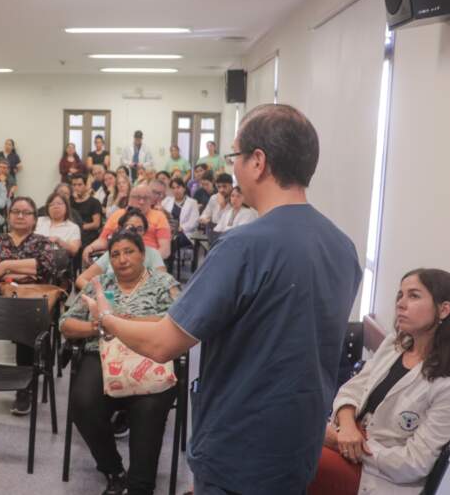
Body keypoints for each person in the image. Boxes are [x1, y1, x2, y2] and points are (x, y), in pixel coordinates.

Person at [82, 104, 363, 494]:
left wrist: (106, 319)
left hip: (240, 445)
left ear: (257, 162)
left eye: (235, 156)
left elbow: (163, 344)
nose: (233, 169)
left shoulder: (243, 246)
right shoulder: (343, 247)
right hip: (298, 444)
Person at [309, 269, 450, 495]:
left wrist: (343, 443)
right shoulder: (395, 344)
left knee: (294, 462)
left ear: (444, 309)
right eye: (400, 295)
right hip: (348, 439)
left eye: (413, 296)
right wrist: (347, 427)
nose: (400, 304)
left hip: (381, 475)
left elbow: (415, 463)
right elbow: (351, 390)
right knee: (284, 440)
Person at [61, 229, 180, 495]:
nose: (122, 259)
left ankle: (140, 486)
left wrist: (126, 323)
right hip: (103, 354)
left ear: (143, 254)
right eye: (115, 254)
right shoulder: (99, 284)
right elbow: (66, 324)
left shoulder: (163, 282)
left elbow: (178, 319)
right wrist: (97, 327)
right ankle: (113, 470)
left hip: (149, 356)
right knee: (83, 403)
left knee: (149, 409)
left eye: (129, 252)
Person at [0, 197, 57, 415]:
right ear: (8, 216)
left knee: (26, 322)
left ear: (34, 218)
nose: (20, 216)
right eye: (16, 211)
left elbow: (45, 266)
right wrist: (22, 271)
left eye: (26, 212)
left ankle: (24, 387)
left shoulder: (42, 241)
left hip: (28, 299)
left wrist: (5, 265)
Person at [76, 207, 166, 290]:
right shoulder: (113, 253)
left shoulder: (152, 254)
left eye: (139, 229)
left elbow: (163, 283)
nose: (134, 233)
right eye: (130, 228)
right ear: (120, 229)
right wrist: (100, 294)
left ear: (144, 232)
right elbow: (81, 279)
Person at [83, 184, 171, 264]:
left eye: (146, 198)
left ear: (151, 200)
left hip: (148, 260)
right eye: (137, 197)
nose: (141, 202)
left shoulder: (159, 216)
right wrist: (90, 247)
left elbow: (165, 250)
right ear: (130, 199)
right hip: (119, 259)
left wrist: (145, 260)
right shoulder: (117, 214)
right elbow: (103, 240)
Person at [35, 192, 81, 257]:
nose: (55, 207)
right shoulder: (39, 221)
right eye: (51, 204)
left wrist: (59, 241)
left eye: (59, 203)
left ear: (66, 207)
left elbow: (74, 250)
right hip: (32, 255)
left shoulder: (73, 227)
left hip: (56, 259)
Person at [161, 178, 200, 250]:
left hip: (185, 233)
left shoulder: (192, 202)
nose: (176, 190)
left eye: (178, 187)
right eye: (173, 188)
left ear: (184, 188)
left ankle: (168, 255)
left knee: (173, 240)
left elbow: (195, 222)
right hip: (169, 231)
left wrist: (181, 228)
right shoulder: (167, 200)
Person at [69, 174, 103, 253]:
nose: (76, 187)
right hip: (70, 234)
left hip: (87, 235)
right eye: (74, 185)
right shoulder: (69, 201)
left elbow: (96, 224)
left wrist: (78, 228)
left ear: (85, 186)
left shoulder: (94, 202)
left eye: (79, 185)